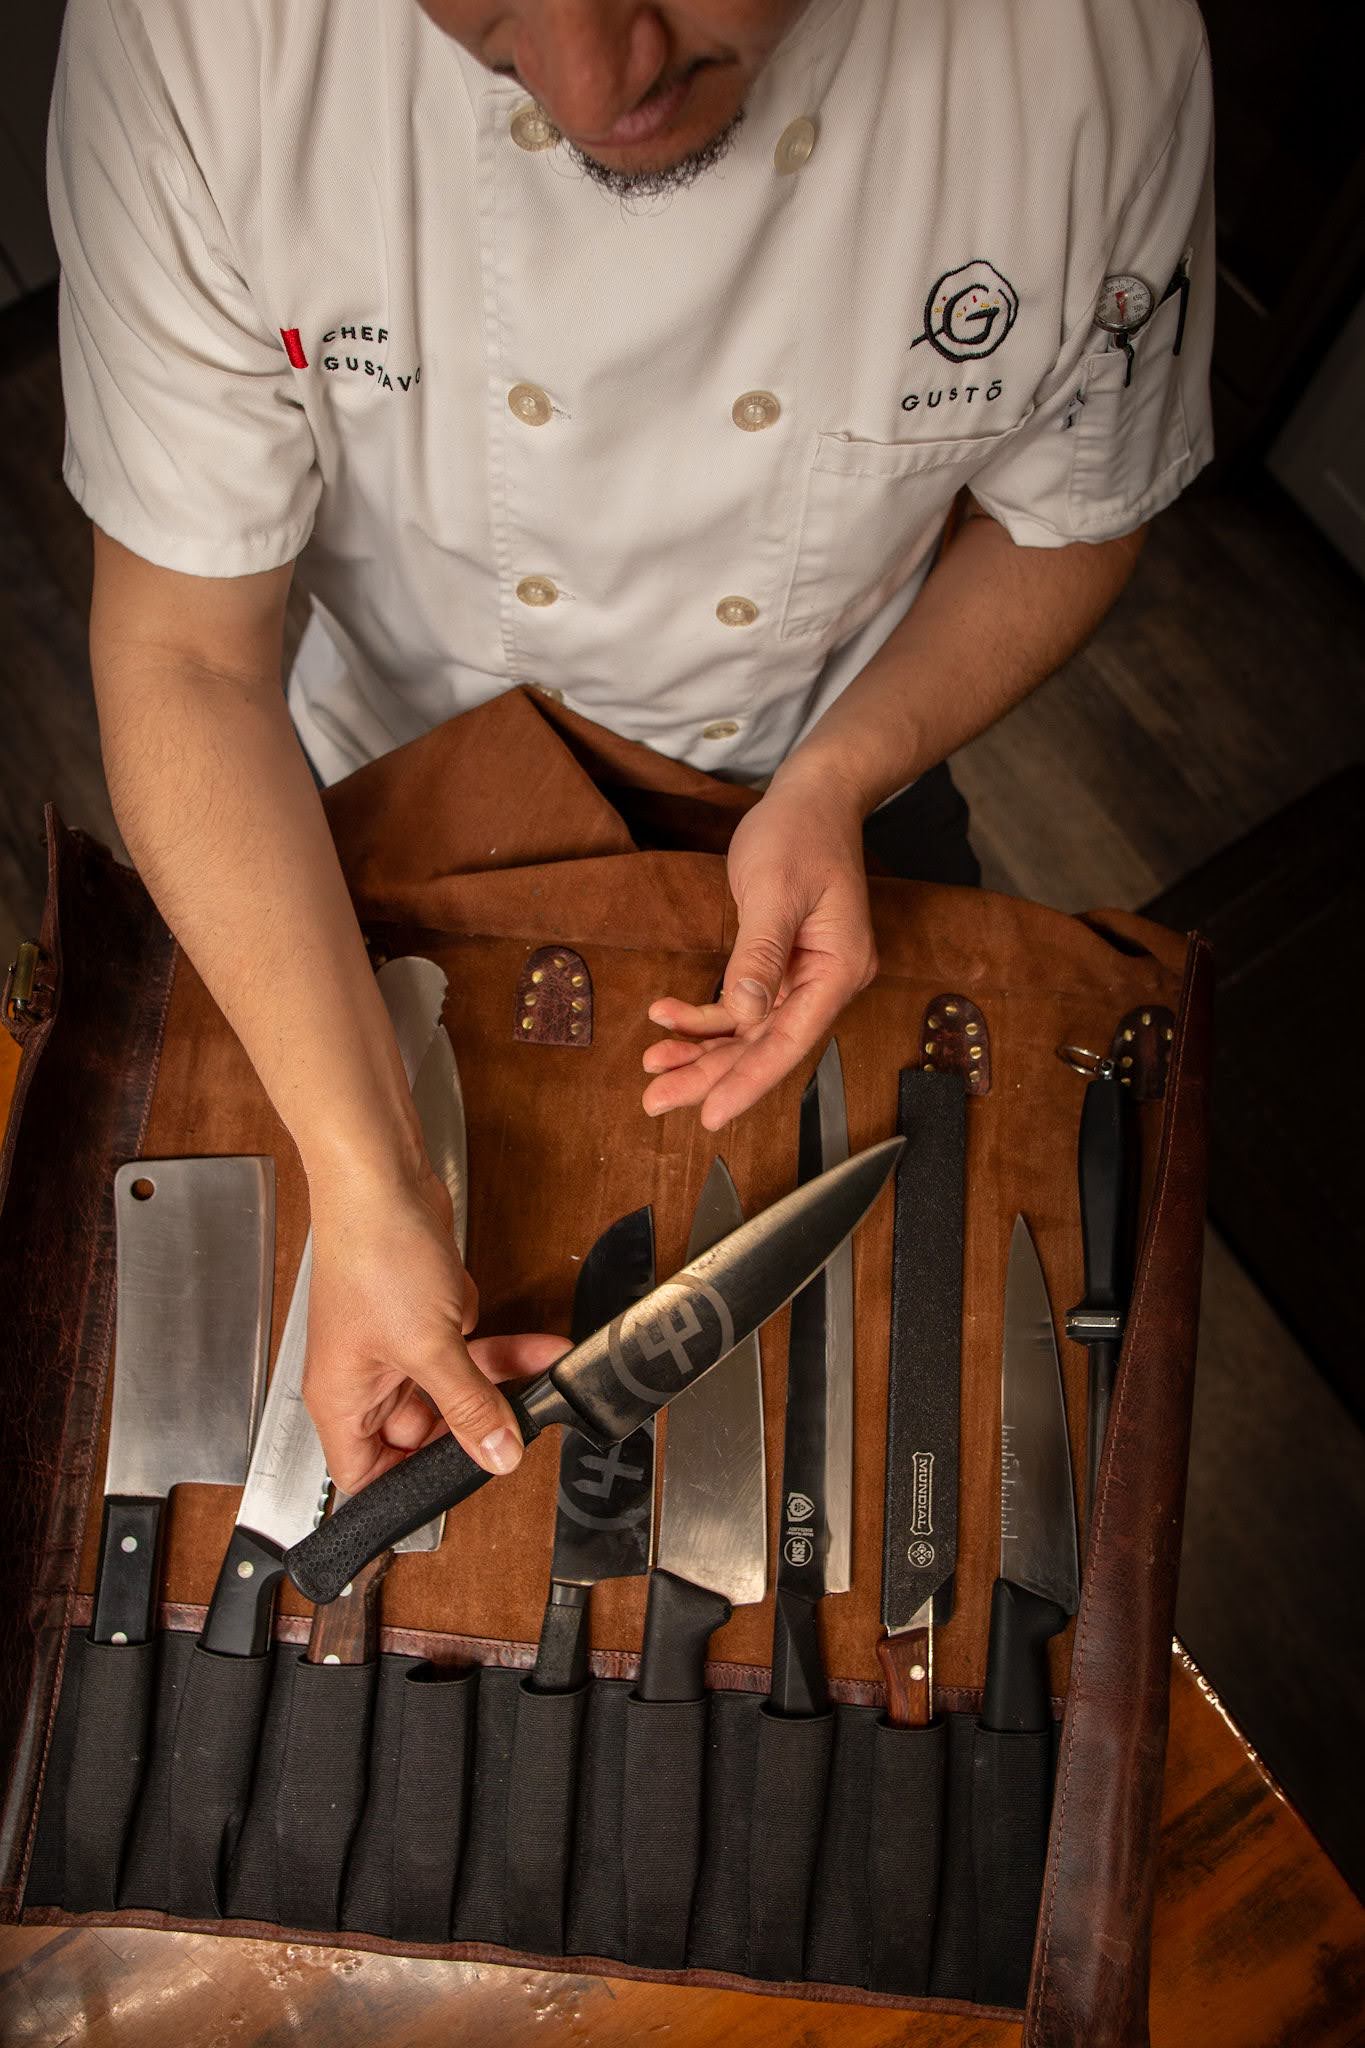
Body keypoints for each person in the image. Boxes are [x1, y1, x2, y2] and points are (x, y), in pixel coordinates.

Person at [46, 0, 1214, 1497]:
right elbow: (185, 657)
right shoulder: (195, 42)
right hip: (380, 789)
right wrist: (367, 1173)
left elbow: (1076, 514)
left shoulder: (1093, 52)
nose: (595, 83)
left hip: (832, 770)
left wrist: (841, 772)